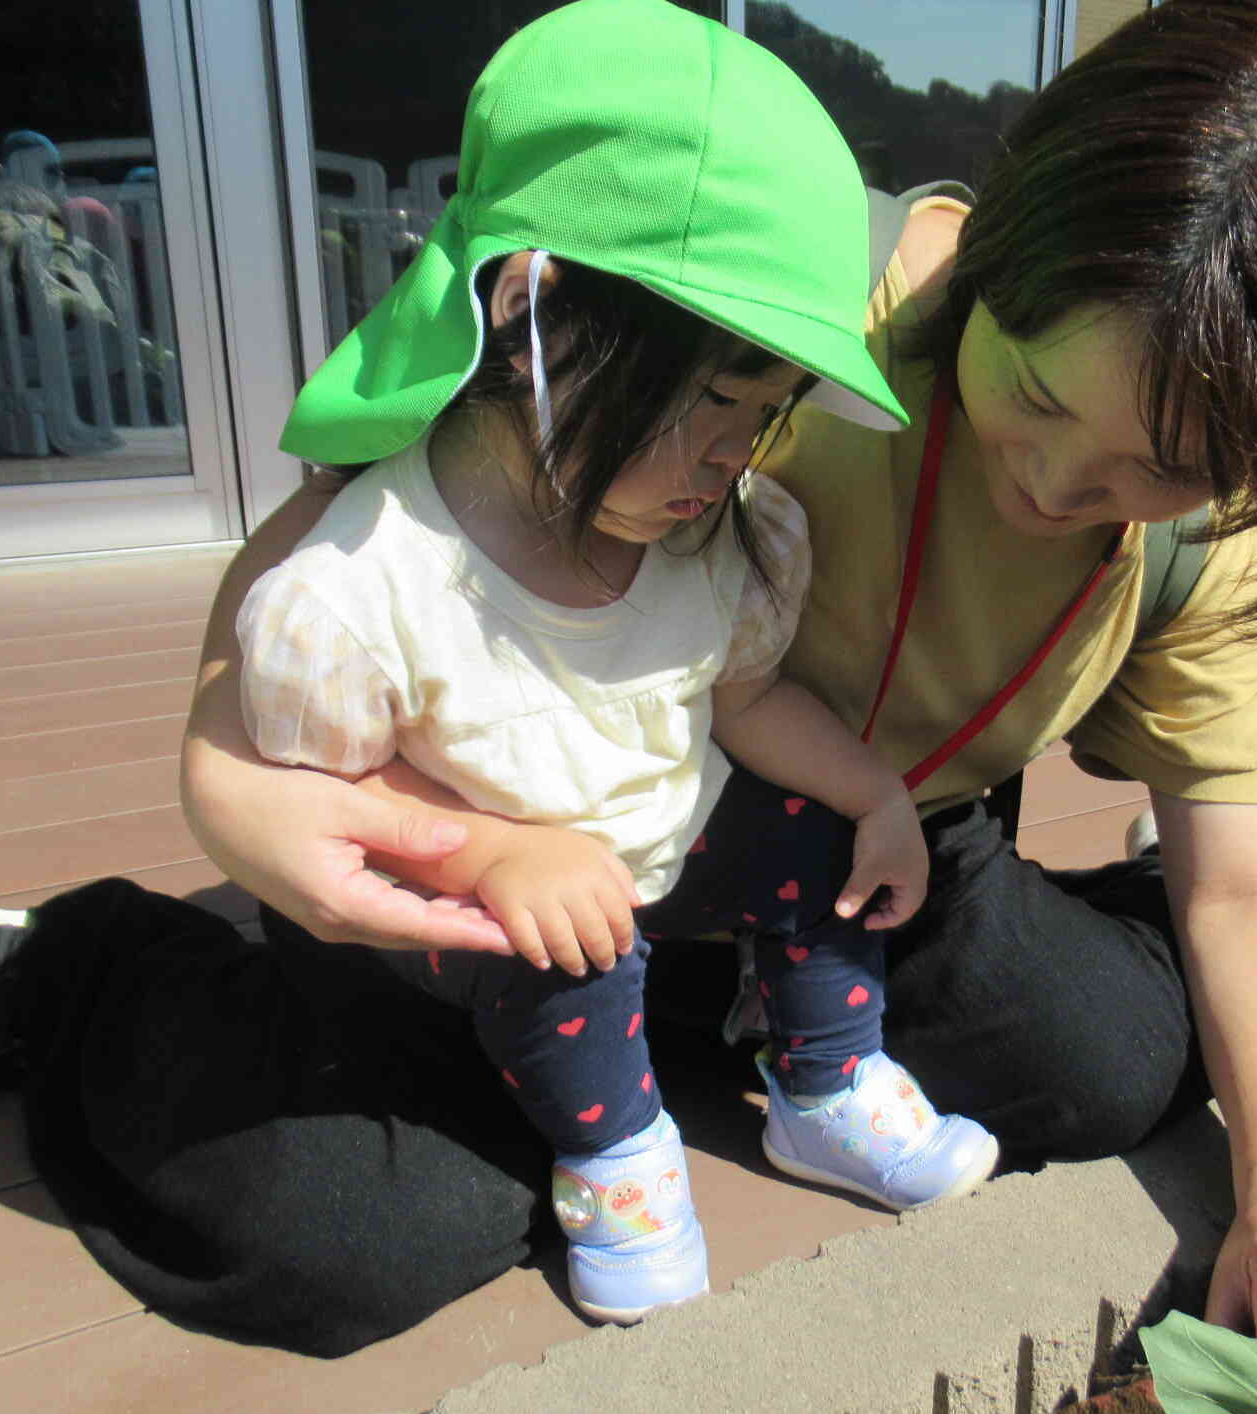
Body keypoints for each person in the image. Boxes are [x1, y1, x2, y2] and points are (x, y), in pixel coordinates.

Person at [0, 0, 1257, 1359]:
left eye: (1152, 473)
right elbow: (312, 593)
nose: (1057, 487)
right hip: (508, 830)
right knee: (344, 1243)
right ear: (998, 248)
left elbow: (1232, 879)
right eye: (1034, 395)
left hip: (854, 835)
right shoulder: (758, 293)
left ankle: (1144, 922)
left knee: (1113, 1072)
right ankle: (74, 972)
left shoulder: (1213, 547)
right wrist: (249, 803)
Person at [228, 4, 998, 1323]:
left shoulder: (719, 541)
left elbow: (745, 697)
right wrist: (488, 856)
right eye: (710, 398)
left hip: (655, 838)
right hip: (474, 915)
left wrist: (872, 795)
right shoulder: (370, 589)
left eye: (767, 416)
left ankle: (824, 1081)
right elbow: (328, 824)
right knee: (564, 950)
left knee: (803, 826)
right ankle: (619, 1153)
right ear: (533, 315)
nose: (732, 456)